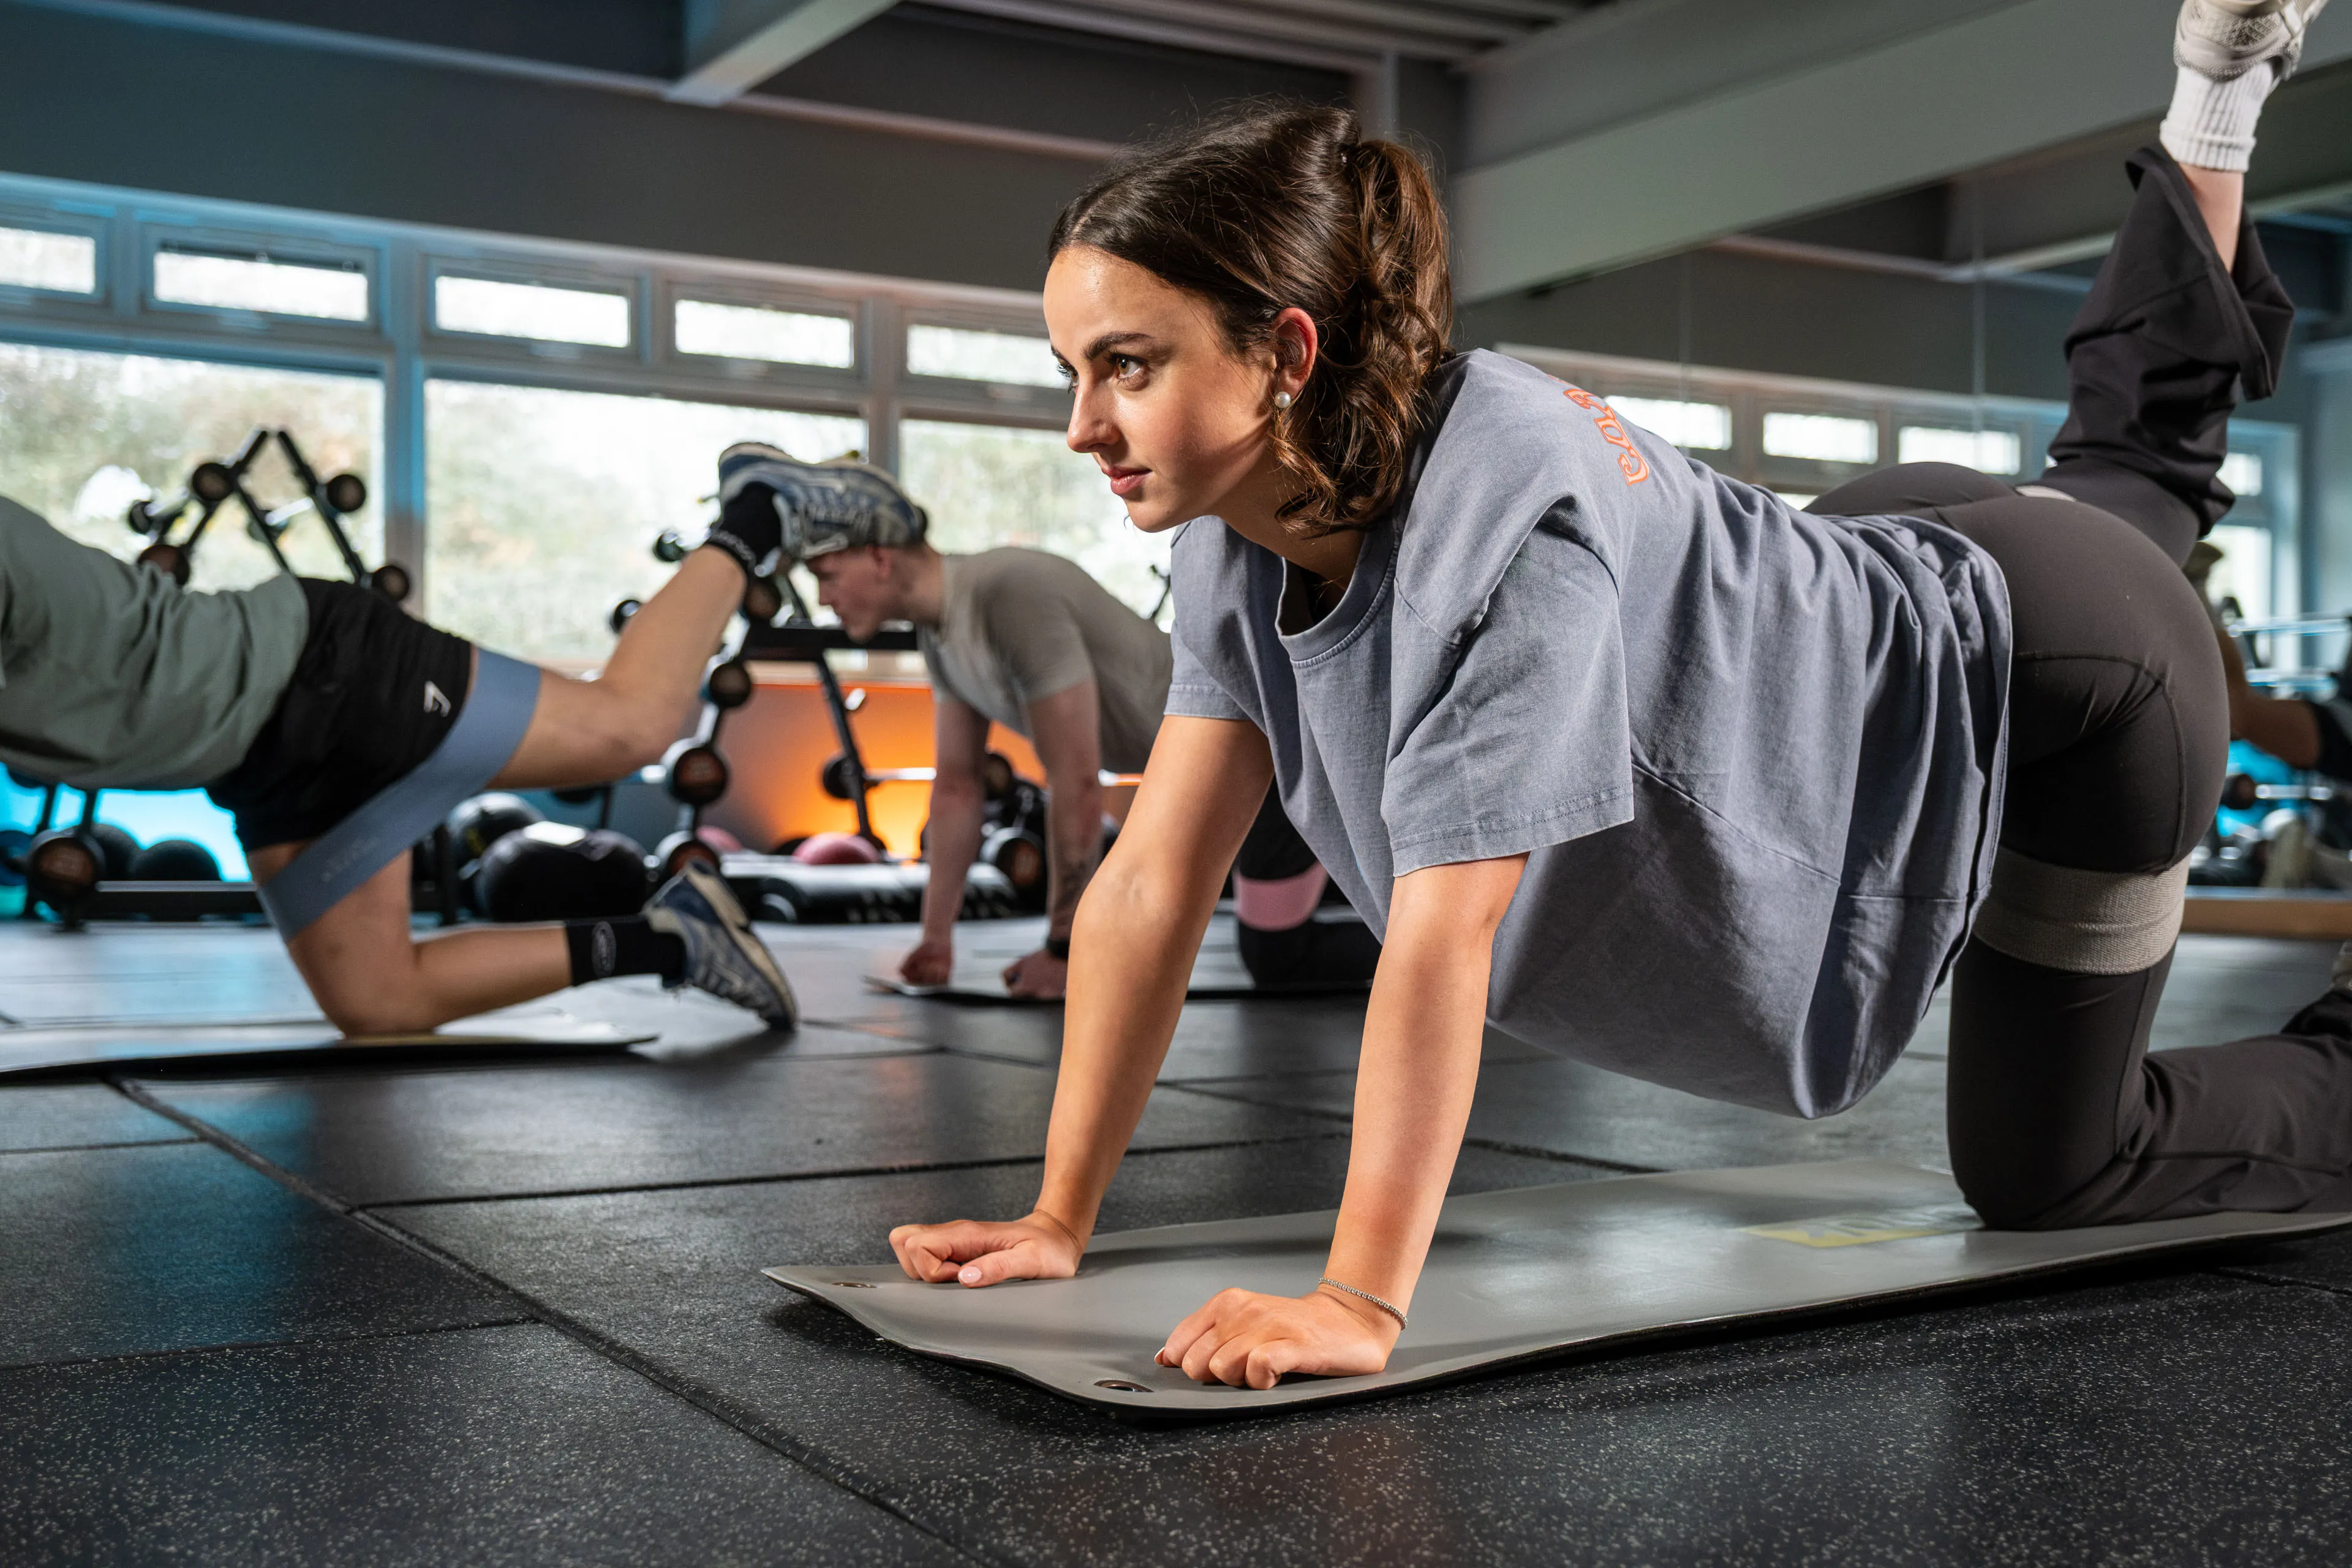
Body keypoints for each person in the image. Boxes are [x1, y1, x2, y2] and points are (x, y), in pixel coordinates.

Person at [886, 0, 2351, 1390]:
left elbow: (1447, 933)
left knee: (2054, 1168)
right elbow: (1152, 877)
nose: (1081, 425)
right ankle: (2214, 109)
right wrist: (1057, 1212)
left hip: (2075, 675)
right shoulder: (1239, 527)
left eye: (1123, 368)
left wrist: (1356, 1297)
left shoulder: (1506, 541)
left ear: (1282, 355)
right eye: (1072, 369)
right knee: (2121, 484)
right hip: (1896, 551)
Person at [0, 484, 800, 1036]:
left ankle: (757, 516)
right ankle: (674, 939)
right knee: (377, 1001)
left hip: (326, 671)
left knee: (633, 726)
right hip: (262, 761)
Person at [712, 447, 1379, 999]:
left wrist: (1065, 950)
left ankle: (1449, 949)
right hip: (1221, 782)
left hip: (1273, 761)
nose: (825, 598)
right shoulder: (941, 636)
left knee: (1280, 957)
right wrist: (935, 937)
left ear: (880, 557)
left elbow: (1078, 781)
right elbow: (956, 789)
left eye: (828, 575)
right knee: (1269, 943)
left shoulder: (1008, 591)